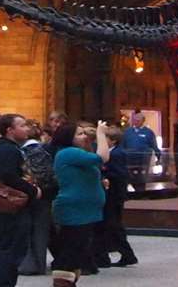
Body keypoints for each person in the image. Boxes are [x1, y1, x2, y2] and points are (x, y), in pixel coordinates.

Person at [0, 113, 39, 287]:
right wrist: (31, 190)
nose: (27, 129)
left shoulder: (7, 148)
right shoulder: (6, 150)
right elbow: (8, 175)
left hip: (9, 204)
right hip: (10, 204)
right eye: (22, 126)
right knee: (9, 246)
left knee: (7, 245)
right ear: (10, 130)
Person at [49, 123, 106, 287]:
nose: (84, 136)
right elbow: (101, 157)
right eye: (79, 134)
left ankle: (69, 282)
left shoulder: (76, 153)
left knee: (77, 251)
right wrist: (101, 134)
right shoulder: (69, 152)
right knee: (70, 251)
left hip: (84, 210)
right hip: (75, 210)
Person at [16, 122, 55, 276]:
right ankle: (37, 263)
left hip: (34, 194)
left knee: (34, 229)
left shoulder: (31, 151)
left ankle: (33, 264)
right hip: (43, 194)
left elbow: (40, 175)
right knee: (40, 230)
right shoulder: (41, 149)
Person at [96, 124, 137, 268]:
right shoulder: (114, 153)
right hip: (114, 194)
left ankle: (127, 254)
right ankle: (123, 254)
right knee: (112, 225)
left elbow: (119, 174)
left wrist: (105, 174)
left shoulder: (116, 154)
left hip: (114, 195)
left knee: (113, 225)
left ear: (113, 140)